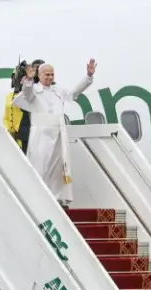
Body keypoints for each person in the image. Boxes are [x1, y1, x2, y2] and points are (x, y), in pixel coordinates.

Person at [13, 59, 97, 205]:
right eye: (47, 75)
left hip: (57, 135)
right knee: (40, 166)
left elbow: (74, 93)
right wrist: (28, 80)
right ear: (39, 75)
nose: (50, 77)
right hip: (40, 136)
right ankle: (38, 198)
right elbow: (26, 96)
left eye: (52, 75)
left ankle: (57, 199)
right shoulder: (33, 90)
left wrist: (88, 77)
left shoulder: (58, 91)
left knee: (57, 169)